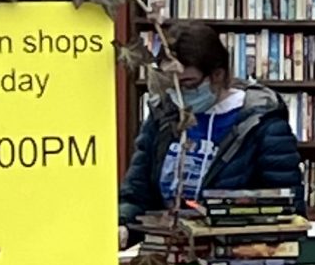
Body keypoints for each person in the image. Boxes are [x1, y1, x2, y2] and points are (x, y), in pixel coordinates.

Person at [119, 20, 305, 237]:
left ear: (218, 75)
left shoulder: (261, 123)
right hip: (168, 248)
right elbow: (137, 191)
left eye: (188, 83)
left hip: (239, 256)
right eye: (170, 83)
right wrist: (124, 225)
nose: (179, 93)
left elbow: (287, 209)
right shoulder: (163, 116)